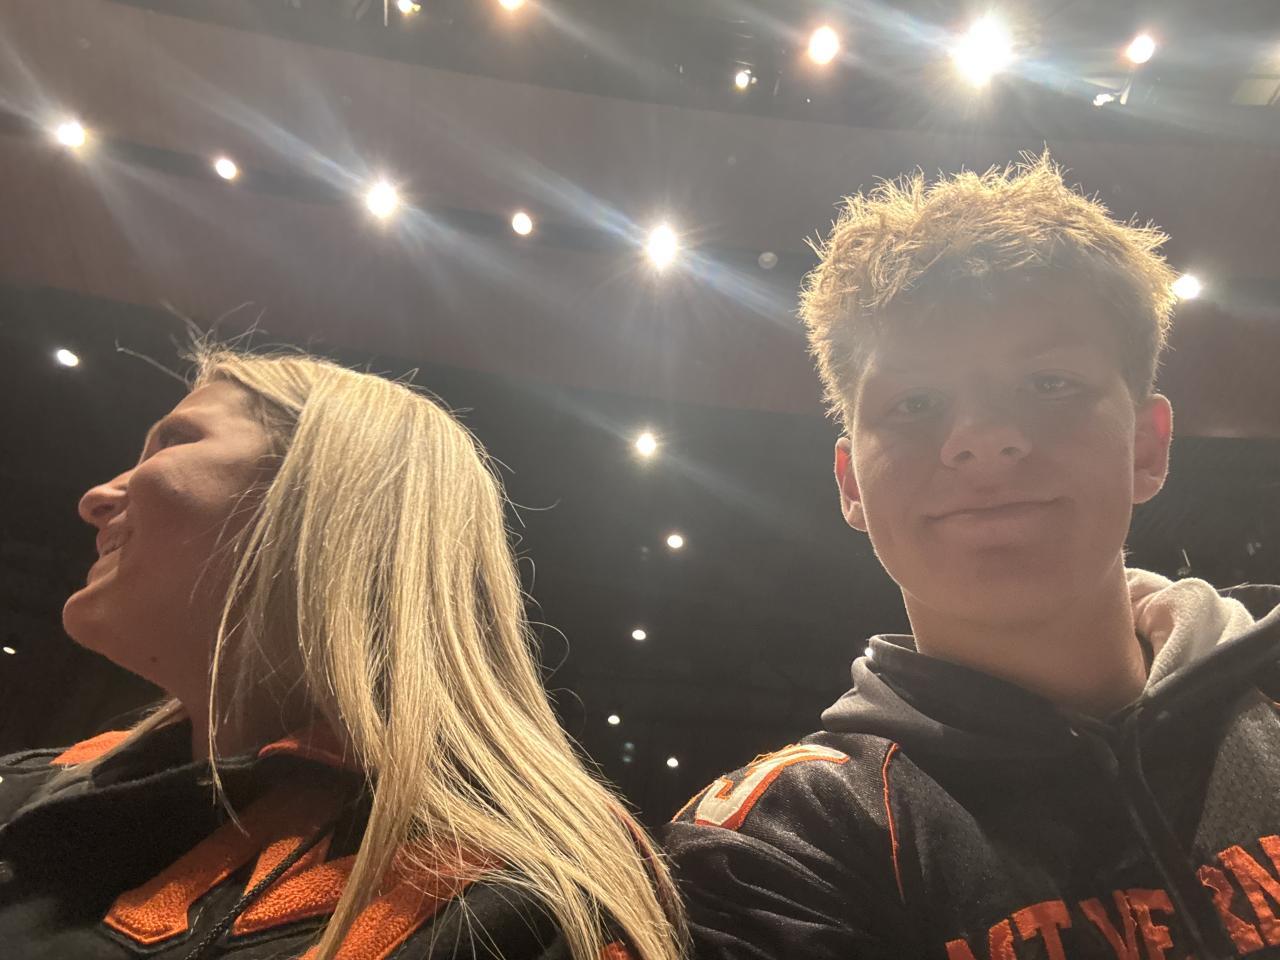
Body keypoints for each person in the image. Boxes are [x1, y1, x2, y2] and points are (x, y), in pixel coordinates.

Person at [662, 155, 1280, 960]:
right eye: (915, 403)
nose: (982, 439)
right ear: (851, 484)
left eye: (1049, 383)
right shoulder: (779, 847)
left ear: (1147, 445)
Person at [0, 348, 687, 960]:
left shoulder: (508, 914)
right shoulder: (28, 782)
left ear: (324, 496)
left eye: (173, 441)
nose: (95, 498)